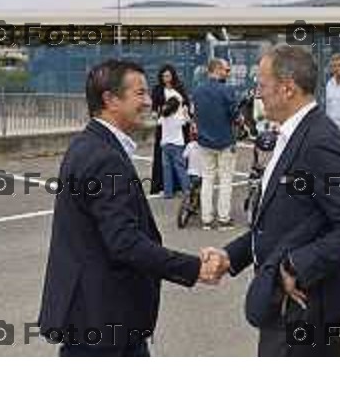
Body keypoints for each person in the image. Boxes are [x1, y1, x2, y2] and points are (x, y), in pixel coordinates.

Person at [201, 45, 340, 357]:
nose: (257, 93)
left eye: (262, 85)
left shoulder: (321, 141)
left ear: (287, 89)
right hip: (284, 305)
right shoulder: (290, 135)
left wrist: (296, 265)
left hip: (306, 307)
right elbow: (281, 222)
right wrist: (231, 256)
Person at [37, 59, 221, 357]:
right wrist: (195, 268)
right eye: (140, 94)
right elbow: (124, 242)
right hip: (104, 327)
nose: (149, 101)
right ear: (110, 99)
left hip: (95, 320)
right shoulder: (102, 157)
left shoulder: (88, 144)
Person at [193, 58, 239, 231]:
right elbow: (234, 114)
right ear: (218, 69)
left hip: (204, 141)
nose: (228, 73)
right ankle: (223, 218)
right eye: (227, 70)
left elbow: (196, 114)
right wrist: (239, 120)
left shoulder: (198, 91)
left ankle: (206, 219)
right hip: (225, 140)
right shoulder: (226, 90)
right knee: (226, 180)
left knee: (208, 179)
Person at [150, 64, 191, 195]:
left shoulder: (179, 88)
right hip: (165, 128)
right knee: (165, 163)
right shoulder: (157, 90)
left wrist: (186, 114)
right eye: (163, 76)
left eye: (168, 75)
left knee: (179, 161)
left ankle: (180, 186)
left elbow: (186, 105)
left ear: (173, 76)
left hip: (178, 127)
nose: (166, 78)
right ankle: (165, 187)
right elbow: (154, 108)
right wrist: (157, 114)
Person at [158, 96, 190, 199]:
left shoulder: (164, 117)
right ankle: (187, 190)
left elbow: (158, 122)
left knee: (167, 169)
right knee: (180, 168)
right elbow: (187, 121)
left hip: (165, 145)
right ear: (176, 107)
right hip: (177, 145)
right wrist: (185, 112)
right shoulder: (178, 117)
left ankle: (168, 193)